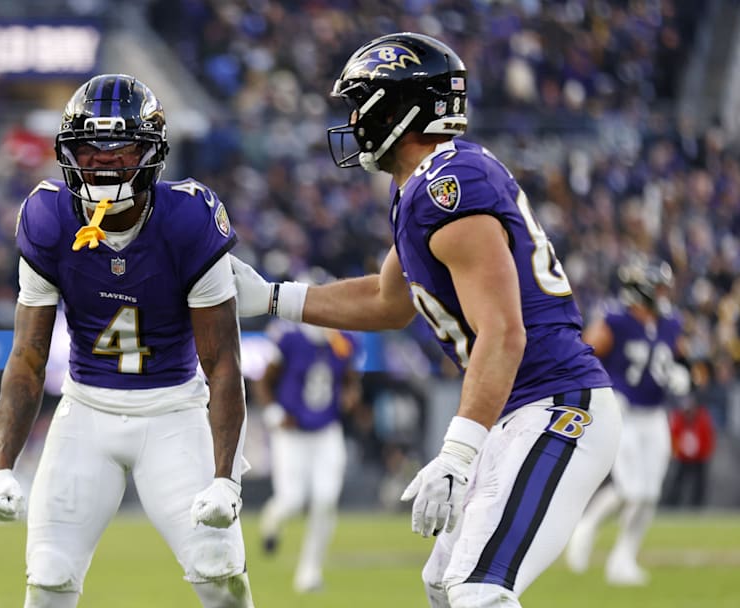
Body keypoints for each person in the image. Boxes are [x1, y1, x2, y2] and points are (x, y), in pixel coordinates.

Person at [230, 32, 620, 608]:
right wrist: (273, 297)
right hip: (518, 408)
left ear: (399, 110)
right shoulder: (425, 186)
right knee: (443, 585)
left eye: (361, 104)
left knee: (478, 590)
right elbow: (388, 300)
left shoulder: (448, 188)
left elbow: (504, 332)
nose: (353, 120)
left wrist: (458, 453)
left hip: (555, 404)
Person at [0, 73, 254, 608]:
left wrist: (227, 479)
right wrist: (2, 466)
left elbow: (223, 363)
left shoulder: (188, 219)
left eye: (121, 150)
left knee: (217, 572)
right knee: (49, 575)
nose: (104, 163)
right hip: (86, 411)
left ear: (151, 155)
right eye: (90, 150)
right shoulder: (48, 217)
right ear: (68, 154)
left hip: (174, 412)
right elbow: (28, 357)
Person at [565, 260, 690, 585]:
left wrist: (683, 372)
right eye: (658, 288)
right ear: (641, 289)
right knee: (631, 489)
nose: (663, 294)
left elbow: (681, 357)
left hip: (655, 414)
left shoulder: (671, 322)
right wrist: (601, 394)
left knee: (648, 494)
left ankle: (624, 558)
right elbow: (583, 356)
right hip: (623, 412)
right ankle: (588, 528)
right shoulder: (615, 321)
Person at [253, 300, 362, 593]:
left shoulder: (342, 341)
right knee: (291, 500)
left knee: (325, 500)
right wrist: (273, 411)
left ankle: (309, 573)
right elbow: (264, 380)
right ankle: (271, 522)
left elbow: (351, 378)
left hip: (327, 430)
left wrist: (351, 395)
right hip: (292, 432)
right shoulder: (289, 338)